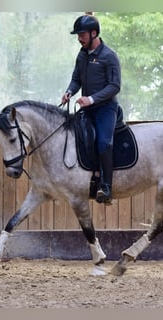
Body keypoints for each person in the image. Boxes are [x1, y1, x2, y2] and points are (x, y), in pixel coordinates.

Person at [62, 14, 122, 204]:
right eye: (78, 35)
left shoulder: (109, 57)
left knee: (104, 143)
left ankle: (106, 187)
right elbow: (76, 80)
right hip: (87, 109)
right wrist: (69, 92)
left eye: (82, 34)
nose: (79, 38)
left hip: (106, 109)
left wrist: (91, 99)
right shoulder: (82, 55)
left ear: (93, 33)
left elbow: (115, 86)